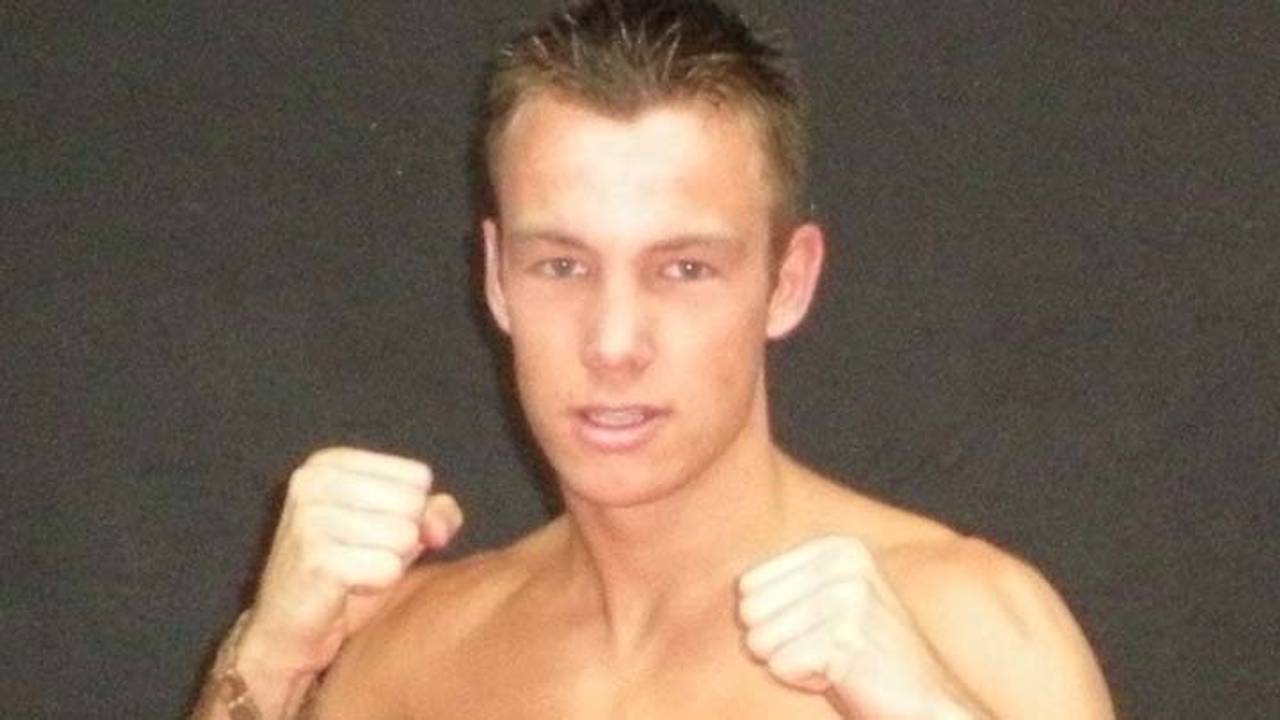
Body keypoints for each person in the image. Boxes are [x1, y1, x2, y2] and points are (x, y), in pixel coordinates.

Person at [191, 1, 1114, 718]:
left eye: (683, 269)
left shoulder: (972, 629)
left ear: (788, 282)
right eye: (562, 266)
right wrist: (271, 658)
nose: (614, 343)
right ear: (497, 278)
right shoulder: (413, 653)